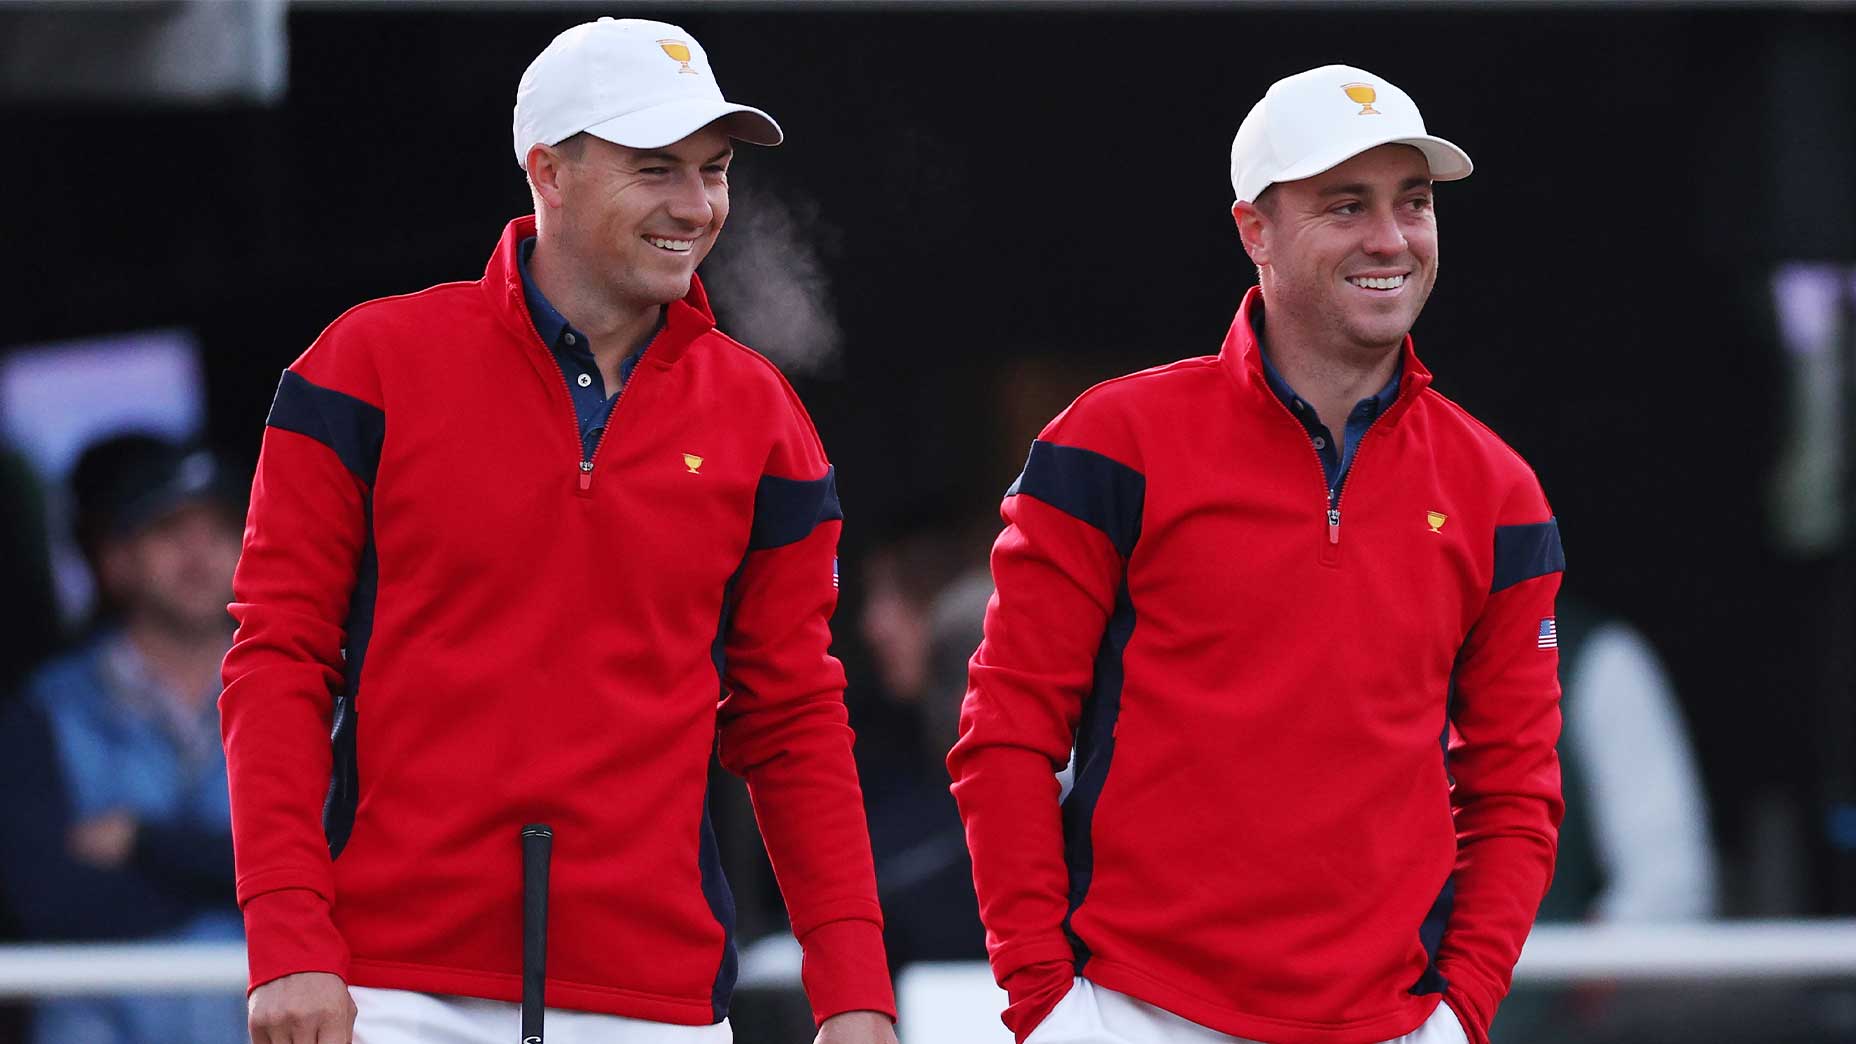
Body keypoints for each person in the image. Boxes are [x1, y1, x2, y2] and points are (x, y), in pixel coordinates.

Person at [222, 18, 895, 1044]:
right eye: (656, 168)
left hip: (655, 1004)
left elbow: (791, 717)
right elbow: (277, 659)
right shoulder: (362, 365)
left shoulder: (764, 420)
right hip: (383, 995)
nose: (696, 205)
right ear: (549, 169)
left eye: (713, 170)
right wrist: (286, 939)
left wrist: (851, 994)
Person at [948, 65, 1565, 1044]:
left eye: (1412, 203)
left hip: (1391, 1025)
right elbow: (1006, 738)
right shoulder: (1110, 442)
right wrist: (1047, 1008)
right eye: (1343, 204)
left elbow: (1514, 795)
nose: (1389, 238)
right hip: (1132, 1015)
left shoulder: (1497, 492)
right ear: (1253, 232)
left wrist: (1457, 1016)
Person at [0, 432, 247, 1044]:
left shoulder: (310, 694)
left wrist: (144, 841)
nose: (198, 555)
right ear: (114, 560)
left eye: (219, 530)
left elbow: (344, 874)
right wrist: (247, 883)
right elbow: (44, 900)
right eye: (168, 531)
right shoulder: (43, 710)